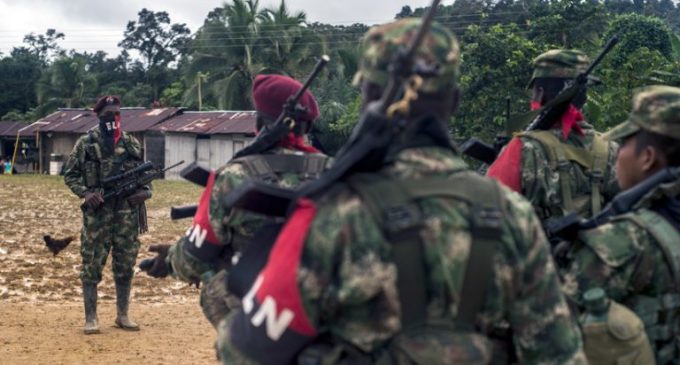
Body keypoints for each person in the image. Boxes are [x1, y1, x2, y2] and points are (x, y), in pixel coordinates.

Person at [214, 18, 586, 364]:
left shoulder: (334, 213)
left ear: (367, 99)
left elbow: (243, 349)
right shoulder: (512, 215)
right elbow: (558, 354)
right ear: (453, 101)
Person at [140, 74, 330, 329]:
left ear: (259, 122)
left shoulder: (235, 176)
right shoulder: (335, 173)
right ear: (307, 127)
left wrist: (171, 260)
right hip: (325, 303)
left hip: (264, 312)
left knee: (214, 277)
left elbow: (195, 259)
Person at [558, 85, 680, 364]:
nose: (618, 153)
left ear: (647, 157)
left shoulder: (619, 242)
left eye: (625, 143)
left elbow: (549, 332)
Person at [487, 49, 619, 228]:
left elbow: (488, 216)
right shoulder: (611, 148)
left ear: (539, 93)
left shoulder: (523, 148)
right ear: (584, 97)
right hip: (599, 253)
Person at [63, 95, 152, 334]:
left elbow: (146, 177)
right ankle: (91, 318)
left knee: (125, 264)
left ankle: (122, 316)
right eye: (107, 115)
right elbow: (70, 175)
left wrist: (146, 193)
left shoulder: (131, 143)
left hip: (127, 216)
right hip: (98, 216)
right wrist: (86, 193)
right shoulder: (86, 143)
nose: (113, 118)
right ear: (99, 116)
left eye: (116, 113)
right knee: (91, 265)